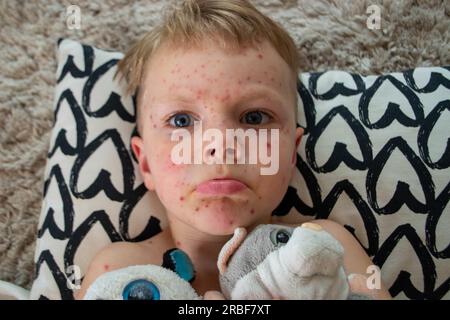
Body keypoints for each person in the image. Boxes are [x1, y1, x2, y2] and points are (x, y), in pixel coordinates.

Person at [76, 0, 390, 299]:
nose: (221, 146)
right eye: (182, 120)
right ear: (145, 165)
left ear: (291, 153)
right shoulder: (122, 272)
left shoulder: (323, 249)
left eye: (254, 117)